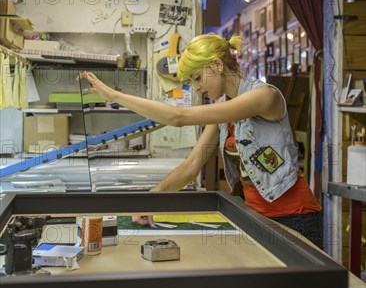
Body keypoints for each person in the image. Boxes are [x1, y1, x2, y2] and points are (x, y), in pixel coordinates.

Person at [78, 33, 322, 248]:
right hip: (256, 215)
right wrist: (151, 199)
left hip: (295, 216)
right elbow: (192, 165)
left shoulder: (264, 96)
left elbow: (178, 117)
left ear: (216, 65)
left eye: (196, 78)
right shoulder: (223, 108)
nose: (195, 88)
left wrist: (113, 95)